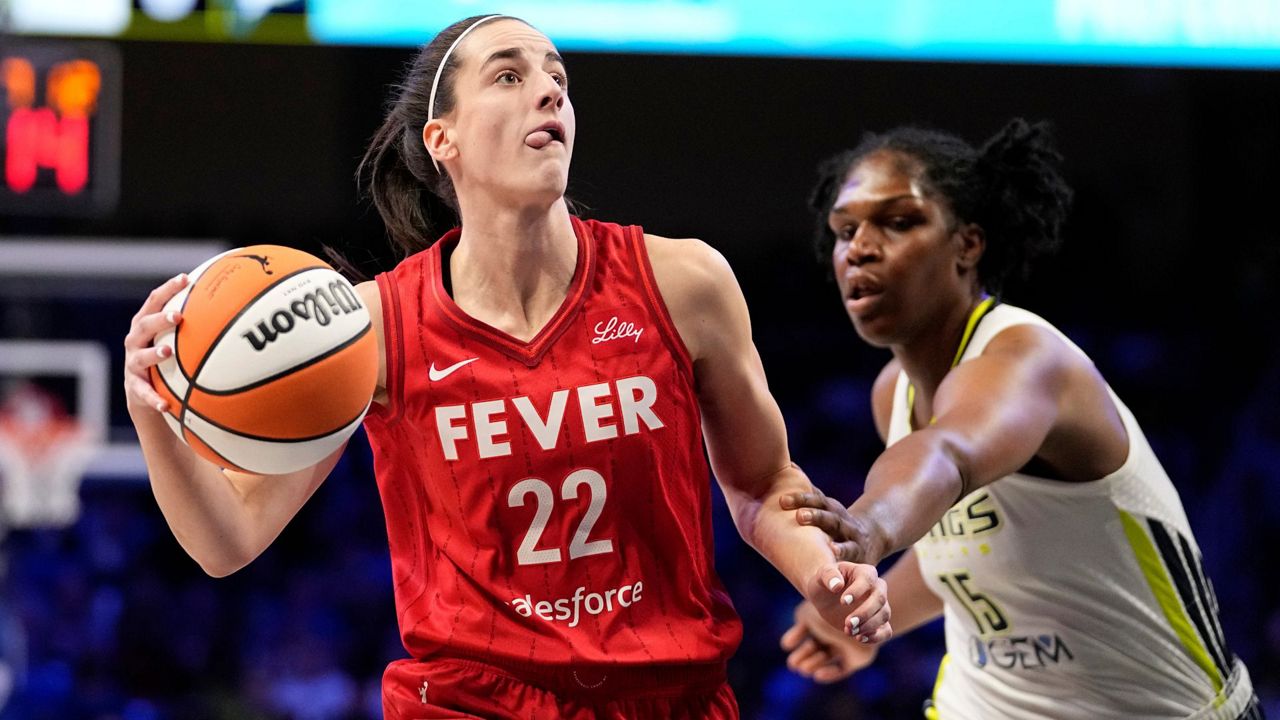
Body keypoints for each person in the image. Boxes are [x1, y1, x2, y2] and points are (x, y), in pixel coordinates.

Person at [121, 14, 891, 719]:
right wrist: (154, 407)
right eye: (509, 76)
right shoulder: (373, 327)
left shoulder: (683, 281)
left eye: (558, 77)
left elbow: (764, 485)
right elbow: (227, 541)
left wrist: (822, 571)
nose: (549, 92)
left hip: (671, 696)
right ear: (441, 140)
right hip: (471, 703)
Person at [778, 119, 1264, 719]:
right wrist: (860, 618)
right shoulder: (893, 395)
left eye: (899, 221)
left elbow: (947, 455)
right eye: (845, 230)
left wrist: (869, 528)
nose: (860, 248)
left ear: (968, 245)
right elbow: (970, 557)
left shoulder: (1029, 361)